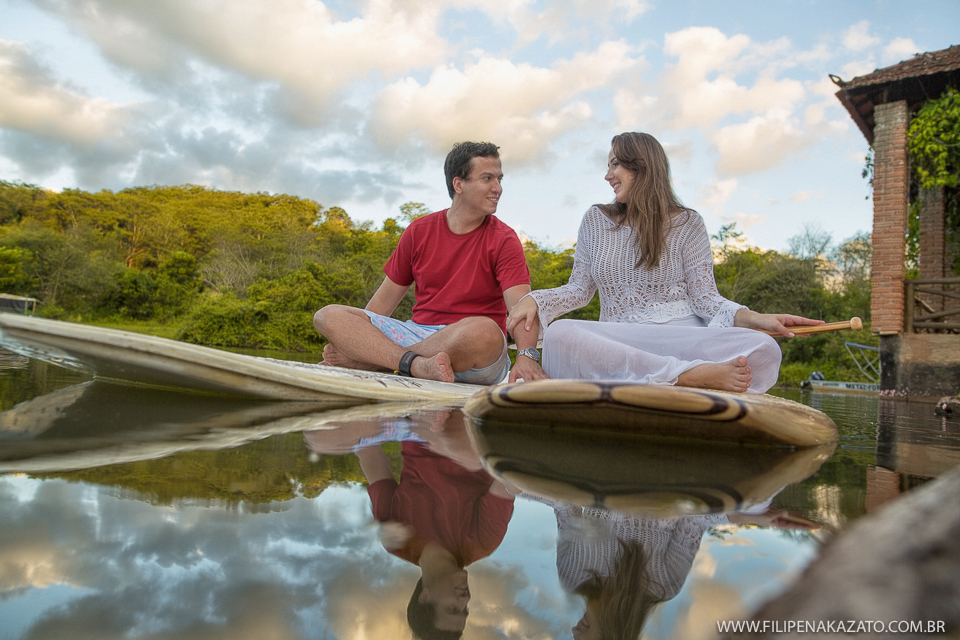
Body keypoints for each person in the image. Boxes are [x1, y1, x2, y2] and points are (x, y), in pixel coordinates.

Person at [507, 132, 822, 393]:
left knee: (765, 349)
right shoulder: (596, 220)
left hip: (679, 337)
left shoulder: (689, 223)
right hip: (620, 339)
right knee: (561, 334)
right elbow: (579, 290)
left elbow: (705, 299)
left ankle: (672, 372)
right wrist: (536, 299)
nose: (607, 175)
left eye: (615, 164)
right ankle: (685, 376)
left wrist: (756, 318)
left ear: (641, 166)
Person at [313, 141, 547, 385]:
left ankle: (381, 361)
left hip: (473, 350)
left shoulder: (504, 239)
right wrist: (357, 338)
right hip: (418, 333)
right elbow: (379, 307)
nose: (497, 188)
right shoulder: (418, 231)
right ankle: (416, 365)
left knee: (485, 331)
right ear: (458, 185)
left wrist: (526, 356)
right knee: (327, 315)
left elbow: (522, 308)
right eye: (487, 178)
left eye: (499, 179)